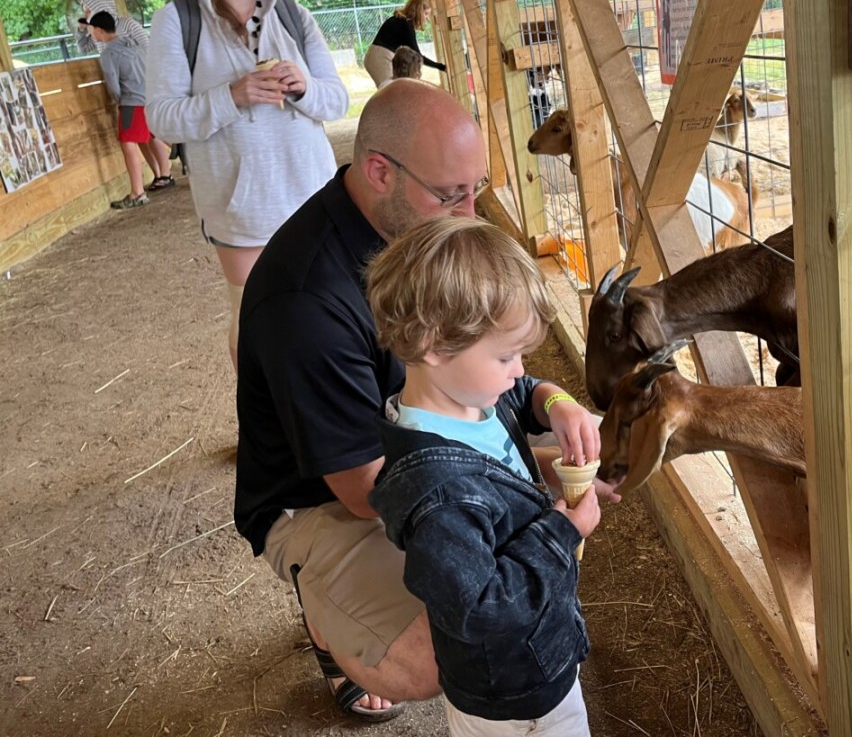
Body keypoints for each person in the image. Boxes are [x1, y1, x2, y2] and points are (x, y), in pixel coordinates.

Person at [234, 78, 619, 722]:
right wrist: (544, 513)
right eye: (450, 195)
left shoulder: (429, 251)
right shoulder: (306, 303)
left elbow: (501, 394)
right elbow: (368, 492)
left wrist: (553, 404)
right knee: (451, 648)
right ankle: (328, 620)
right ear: (380, 172)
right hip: (323, 495)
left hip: (425, 446)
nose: (470, 212)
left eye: (477, 189)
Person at [366, 216, 598, 735]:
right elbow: (479, 607)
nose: (519, 370)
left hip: (534, 656)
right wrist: (562, 533)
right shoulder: (440, 495)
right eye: (506, 356)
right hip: (517, 699)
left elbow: (524, 392)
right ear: (432, 343)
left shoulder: (471, 398)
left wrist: (556, 403)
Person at [146, 0, 348, 369]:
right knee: (255, 319)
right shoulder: (178, 20)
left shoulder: (292, 14)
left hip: (312, 195)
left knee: (329, 310)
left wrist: (303, 87)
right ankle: (262, 413)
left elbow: (336, 100)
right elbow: (163, 116)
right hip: (242, 207)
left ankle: (326, 405)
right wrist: (232, 96)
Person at [88, 11, 175, 208]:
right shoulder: (134, 45)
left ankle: (137, 192)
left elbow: (113, 83)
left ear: (99, 30)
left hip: (131, 101)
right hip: (150, 97)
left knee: (128, 144)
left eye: (92, 30)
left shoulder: (108, 54)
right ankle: (168, 170)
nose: (92, 33)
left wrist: (119, 101)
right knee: (152, 135)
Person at [362, 0, 446, 87]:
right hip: (381, 59)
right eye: (425, 14)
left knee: (393, 88)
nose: (426, 18)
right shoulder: (406, 26)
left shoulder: (397, 19)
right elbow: (418, 56)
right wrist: (441, 67)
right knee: (393, 89)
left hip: (375, 57)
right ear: (419, 12)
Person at [75, 0, 149, 56]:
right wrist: (81, 30)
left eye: (88, 12)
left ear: (100, 10)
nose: (85, 16)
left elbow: (148, 49)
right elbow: (83, 49)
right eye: (84, 12)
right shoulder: (98, 32)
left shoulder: (128, 24)